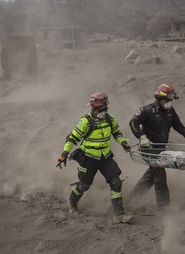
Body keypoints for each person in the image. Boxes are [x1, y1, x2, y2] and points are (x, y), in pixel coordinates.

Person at [57, 92, 133, 223]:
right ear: (94, 107)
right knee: (84, 185)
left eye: (105, 106)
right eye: (102, 107)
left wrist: (123, 143)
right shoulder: (85, 121)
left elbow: (117, 133)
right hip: (88, 159)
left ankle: (119, 215)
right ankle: (72, 203)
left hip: (106, 158)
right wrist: (64, 155)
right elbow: (72, 138)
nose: (105, 109)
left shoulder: (110, 119)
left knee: (116, 182)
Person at [129, 83, 185, 209]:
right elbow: (133, 122)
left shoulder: (170, 111)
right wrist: (142, 137)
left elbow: (177, 124)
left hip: (160, 149)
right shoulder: (147, 110)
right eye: (167, 100)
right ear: (159, 99)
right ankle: (164, 207)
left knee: (151, 174)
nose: (169, 102)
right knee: (160, 175)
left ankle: (132, 199)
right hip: (148, 149)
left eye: (171, 100)